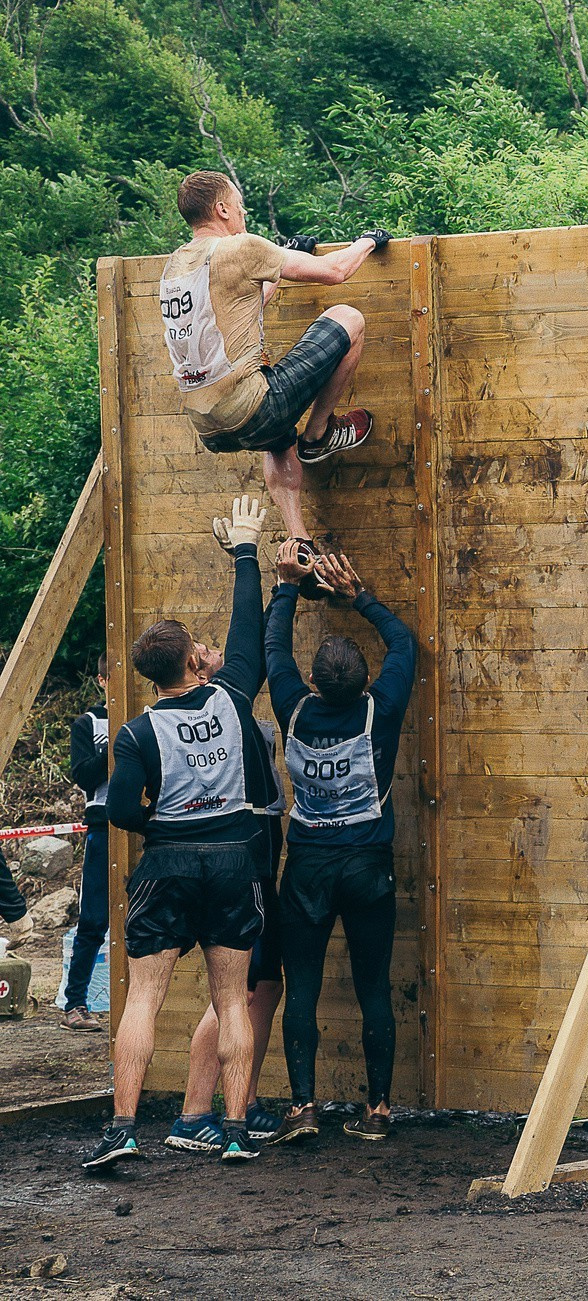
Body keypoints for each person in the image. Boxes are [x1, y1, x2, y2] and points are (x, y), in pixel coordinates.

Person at [89, 496, 277, 1168]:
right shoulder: (231, 698)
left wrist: (158, 820)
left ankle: (124, 1129)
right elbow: (248, 633)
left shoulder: (138, 731)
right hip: (232, 862)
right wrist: (247, 553)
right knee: (232, 998)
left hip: (167, 863)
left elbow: (118, 814)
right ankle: (230, 1130)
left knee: (143, 996)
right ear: (197, 666)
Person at [160, 170, 389, 581]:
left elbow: (240, 307)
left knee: (277, 441)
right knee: (348, 318)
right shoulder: (239, 248)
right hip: (254, 405)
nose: (244, 210)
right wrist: (369, 241)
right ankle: (319, 437)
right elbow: (336, 271)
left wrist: (279, 267)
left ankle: (301, 546)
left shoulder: (175, 267)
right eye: (239, 202)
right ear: (222, 208)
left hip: (210, 427)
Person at [262, 545, 415, 1144]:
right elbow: (403, 644)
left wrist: (284, 586)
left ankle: (303, 1106)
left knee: (302, 985)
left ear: (317, 684)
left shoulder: (294, 708)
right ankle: (377, 1109)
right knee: (373, 984)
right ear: (361, 682)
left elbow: (274, 650)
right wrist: (360, 597)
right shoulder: (382, 707)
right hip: (368, 866)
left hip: (307, 866)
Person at [169, 717, 287, 1149]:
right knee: (238, 993)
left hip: (264, 861)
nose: (208, 648)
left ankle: (246, 1101)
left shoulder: (239, 711)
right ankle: (193, 1113)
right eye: (201, 647)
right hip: (244, 862)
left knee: (268, 985)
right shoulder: (220, 708)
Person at [59, 656, 111, 1031]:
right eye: (113, 677)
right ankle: (75, 1003)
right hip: (104, 824)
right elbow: (84, 776)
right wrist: (117, 747)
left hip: (150, 824)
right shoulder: (88, 724)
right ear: (101, 680)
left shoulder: (152, 713)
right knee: (93, 919)